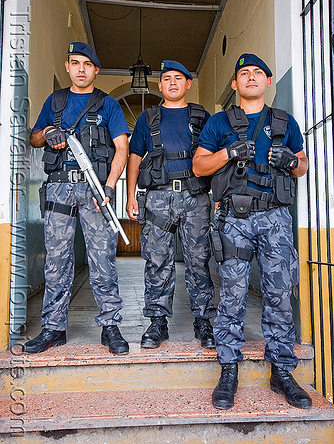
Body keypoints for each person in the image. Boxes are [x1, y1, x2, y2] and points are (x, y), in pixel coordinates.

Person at [193, 53, 312, 409]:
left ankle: (281, 370)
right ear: (235, 84)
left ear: (267, 82)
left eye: (258, 73)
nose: (250, 77)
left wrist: (292, 162)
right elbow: (199, 166)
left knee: (278, 293)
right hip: (235, 219)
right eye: (243, 73)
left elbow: (303, 166)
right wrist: (229, 152)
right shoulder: (218, 122)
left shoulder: (284, 121)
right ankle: (229, 367)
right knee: (232, 294)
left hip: (276, 219)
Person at [23, 42, 130, 355]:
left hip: (96, 188)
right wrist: (49, 134)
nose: (81, 69)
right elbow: (34, 137)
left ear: (96, 70)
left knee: (103, 259)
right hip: (58, 187)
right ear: (68, 67)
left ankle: (110, 327)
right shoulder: (55, 101)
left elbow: (121, 148)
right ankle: (54, 329)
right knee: (56, 261)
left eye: (87, 64)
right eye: (75, 63)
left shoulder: (108, 105)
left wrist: (110, 186)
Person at [126, 60, 215, 349]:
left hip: (196, 197)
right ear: (160, 85)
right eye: (167, 78)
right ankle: (157, 323)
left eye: (179, 77)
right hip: (158, 197)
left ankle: (203, 322)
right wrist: (129, 196)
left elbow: (215, 159)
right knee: (157, 261)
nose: (173, 83)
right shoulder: (147, 118)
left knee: (198, 261)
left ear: (188, 84)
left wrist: (217, 198)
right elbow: (135, 158)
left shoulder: (203, 117)